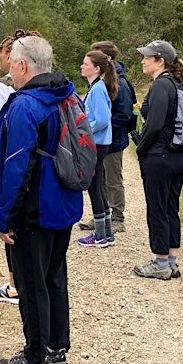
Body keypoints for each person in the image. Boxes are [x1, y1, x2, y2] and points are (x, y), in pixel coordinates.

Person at [0, 35, 82, 364]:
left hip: (34, 210)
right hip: (65, 203)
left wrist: (5, 216)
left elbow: (16, 166)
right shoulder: (68, 94)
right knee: (55, 276)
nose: (9, 69)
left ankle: (35, 358)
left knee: (30, 283)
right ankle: (57, 349)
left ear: (23, 65)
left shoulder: (25, 105)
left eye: (12, 62)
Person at [0, 29, 42, 306]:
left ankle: (14, 284)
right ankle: (21, 283)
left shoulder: (0, 92)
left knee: (11, 230)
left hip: (12, 170)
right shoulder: (43, 92)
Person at [131, 40, 183, 280]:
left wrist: (141, 148)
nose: (143, 60)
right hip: (181, 155)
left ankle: (160, 262)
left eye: (147, 57)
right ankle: (171, 260)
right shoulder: (178, 85)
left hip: (161, 156)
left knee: (157, 209)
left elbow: (155, 125)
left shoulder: (160, 86)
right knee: (170, 207)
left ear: (160, 60)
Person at [78, 41, 137, 235]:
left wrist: (88, 130)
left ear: (105, 61)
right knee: (99, 182)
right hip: (103, 140)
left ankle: (117, 218)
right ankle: (102, 219)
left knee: (112, 180)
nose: (83, 65)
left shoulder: (118, 83)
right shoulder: (101, 83)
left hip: (112, 141)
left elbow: (121, 114)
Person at [76, 50, 118, 248]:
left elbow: (101, 119)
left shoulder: (98, 89)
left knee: (94, 187)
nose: (82, 67)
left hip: (97, 144)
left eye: (85, 64)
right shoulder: (97, 87)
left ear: (96, 68)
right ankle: (106, 232)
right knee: (98, 185)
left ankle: (100, 235)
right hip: (100, 144)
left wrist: (83, 132)